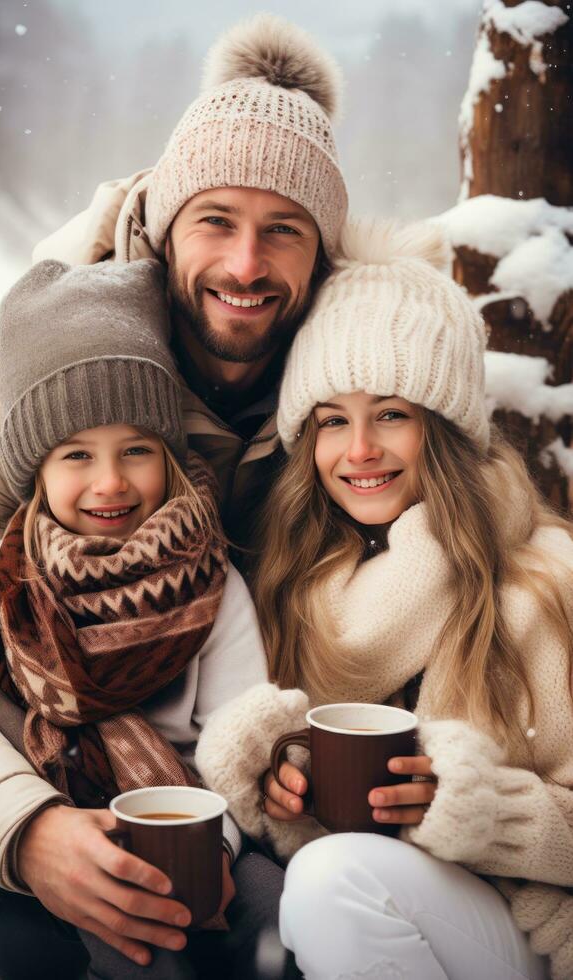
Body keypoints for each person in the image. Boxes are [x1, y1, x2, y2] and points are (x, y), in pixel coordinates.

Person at [0, 13, 346, 977]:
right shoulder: (33, 368)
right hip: (24, 818)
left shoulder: (353, 382)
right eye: (216, 223)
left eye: (284, 231)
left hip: (212, 832)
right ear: (158, 229)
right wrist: (27, 830)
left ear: (323, 256)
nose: (246, 266)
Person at [195, 219, 573, 980]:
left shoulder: (544, 581)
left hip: (527, 933)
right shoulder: (289, 586)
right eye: (333, 420)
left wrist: (483, 809)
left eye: (392, 414)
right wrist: (282, 787)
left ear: (446, 429)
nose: (360, 449)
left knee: (335, 881)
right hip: (371, 926)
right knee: (324, 879)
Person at [0, 255, 289, 979]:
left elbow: (239, 735)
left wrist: (215, 846)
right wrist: (37, 826)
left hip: (180, 830)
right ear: (36, 471)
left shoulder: (208, 578)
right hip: (42, 833)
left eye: (137, 450)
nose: (110, 482)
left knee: (270, 912)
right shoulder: (10, 576)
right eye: (76, 455)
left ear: (169, 456)